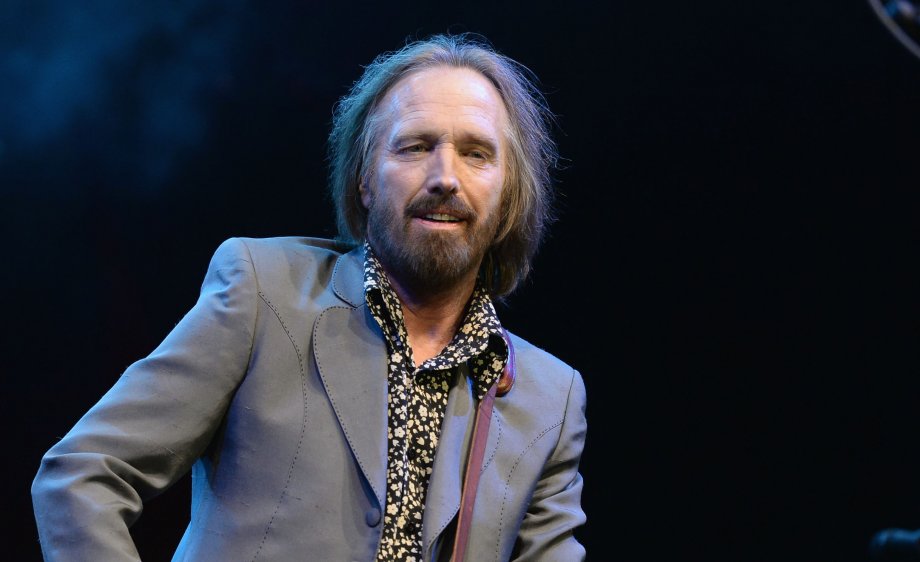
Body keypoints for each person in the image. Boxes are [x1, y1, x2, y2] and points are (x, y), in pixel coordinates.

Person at [31, 33, 587, 562]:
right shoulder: (263, 292)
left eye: (476, 154)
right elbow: (84, 473)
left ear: (509, 196)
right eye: (415, 147)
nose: (444, 176)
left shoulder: (548, 398)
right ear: (365, 180)